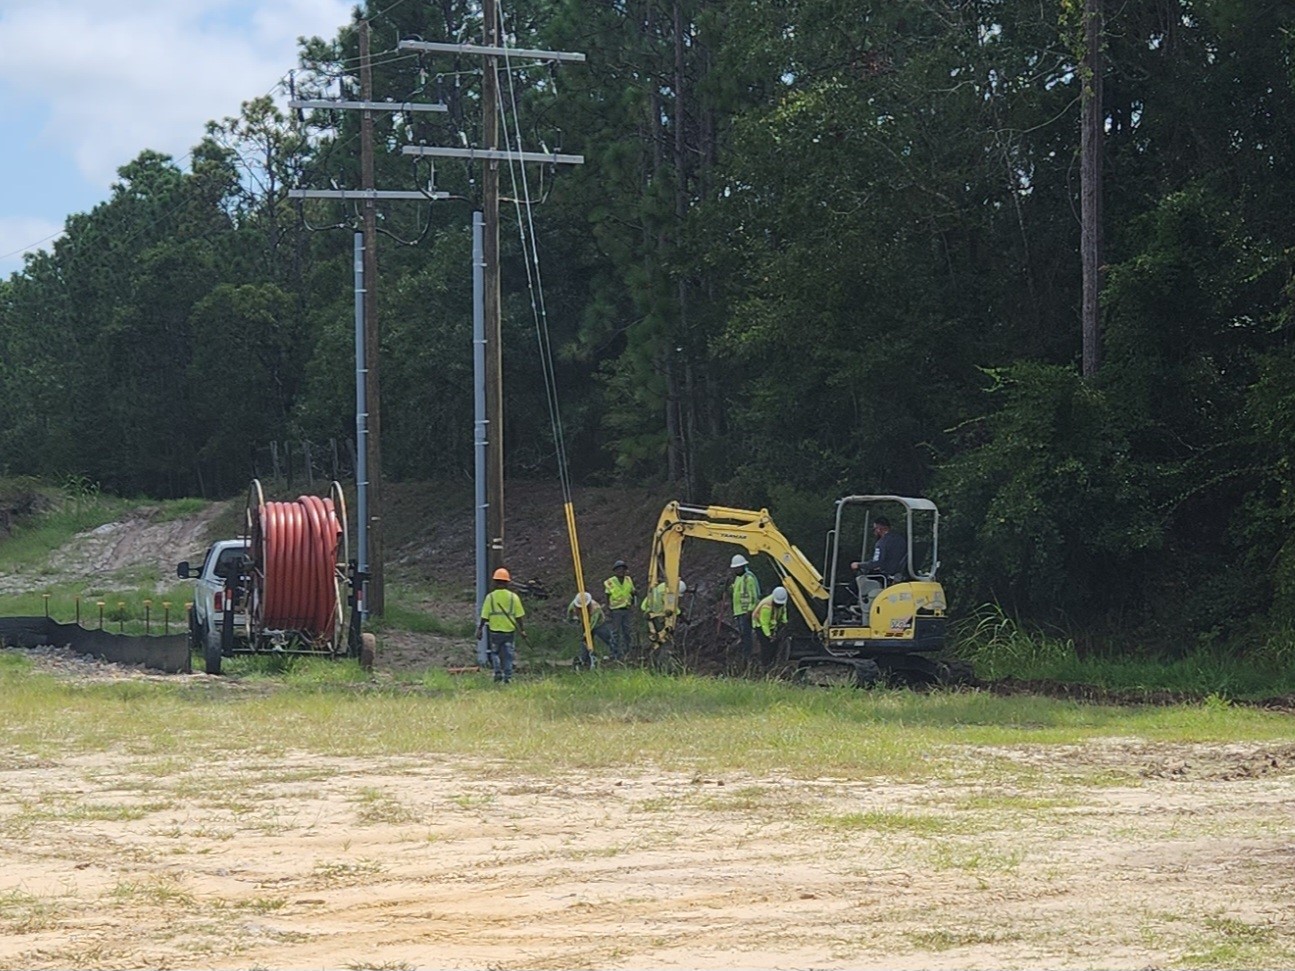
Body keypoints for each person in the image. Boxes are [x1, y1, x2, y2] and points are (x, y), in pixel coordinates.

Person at [475, 567, 528, 683]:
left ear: (494, 582)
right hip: (509, 631)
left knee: (495, 653)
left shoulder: (491, 597)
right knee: (508, 654)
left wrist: (480, 629)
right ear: (507, 582)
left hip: (495, 631)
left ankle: (498, 672)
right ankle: (508, 677)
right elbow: (519, 616)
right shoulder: (513, 597)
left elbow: (484, 616)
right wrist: (523, 630)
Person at [853, 516, 907, 583]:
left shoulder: (882, 543)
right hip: (900, 574)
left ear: (879, 529)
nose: (874, 532)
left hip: (887, 576)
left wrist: (859, 565)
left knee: (854, 585)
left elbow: (876, 563)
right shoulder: (901, 539)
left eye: (874, 529)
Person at [566, 591, 613, 667]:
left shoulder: (595, 608)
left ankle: (615, 654)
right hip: (584, 622)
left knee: (608, 637)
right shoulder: (573, 605)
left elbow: (593, 623)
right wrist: (571, 620)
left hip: (598, 624)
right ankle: (585, 660)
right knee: (585, 642)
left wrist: (586, 633)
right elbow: (569, 614)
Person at [730, 554, 761, 661]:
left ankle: (747, 656)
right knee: (743, 635)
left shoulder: (749, 578)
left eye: (737, 568)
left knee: (746, 635)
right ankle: (744, 654)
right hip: (739, 612)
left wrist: (750, 610)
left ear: (743, 566)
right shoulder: (738, 578)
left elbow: (753, 596)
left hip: (746, 612)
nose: (736, 570)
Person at [603, 559, 636, 659]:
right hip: (615, 610)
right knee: (615, 633)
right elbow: (607, 596)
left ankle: (627, 652)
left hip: (626, 609)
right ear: (615, 571)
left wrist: (633, 603)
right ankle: (615, 653)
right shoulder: (609, 582)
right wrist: (608, 609)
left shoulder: (628, 580)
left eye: (623, 569)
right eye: (619, 570)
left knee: (627, 632)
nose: (621, 571)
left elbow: (632, 592)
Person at [641, 578, 687, 648]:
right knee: (663, 636)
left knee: (654, 635)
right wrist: (681, 615)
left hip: (648, 610)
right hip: (657, 616)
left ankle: (650, 649)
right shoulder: (669, 593)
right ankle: (656, 650)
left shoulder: (660, 588)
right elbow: (671, 607)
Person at [752, 585, 789, 666]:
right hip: (760, 625)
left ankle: (772, 663)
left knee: (774, 645)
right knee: (766, 646)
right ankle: (765, 665)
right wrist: (769, 636)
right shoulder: (767, 606)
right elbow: (764, 623)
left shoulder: (782, 600)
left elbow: (783, 611)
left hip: (772, 625)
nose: (779, 605)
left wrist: (784, 621)